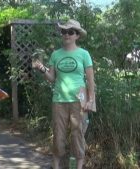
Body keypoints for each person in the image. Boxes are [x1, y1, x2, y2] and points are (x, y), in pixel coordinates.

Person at [33, 19, 95, 169]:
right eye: (64, 32)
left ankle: (78, 166)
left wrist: (91, 100)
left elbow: (90, 80)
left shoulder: (84, 54)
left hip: (78, 101)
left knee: (77, 135)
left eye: (70, 32)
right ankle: (56, 166)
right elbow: (52, 79)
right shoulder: (56, 54)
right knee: (58, 135)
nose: (66, 35)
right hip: (59, 100)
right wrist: (42, 69)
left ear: (77, 35)